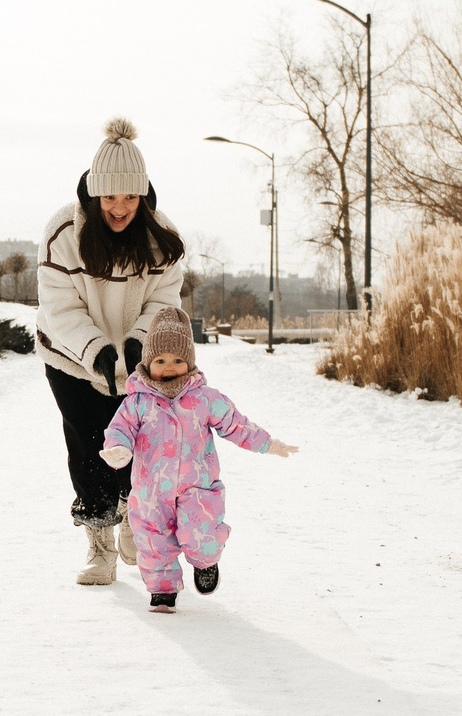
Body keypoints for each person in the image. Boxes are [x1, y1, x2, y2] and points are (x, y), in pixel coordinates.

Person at [36, 118, 187, 585]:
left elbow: (164, 301)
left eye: (129, 197)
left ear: (142, 196)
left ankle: (129, 513)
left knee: (139, 447)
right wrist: (97, 350)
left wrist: (140, 343)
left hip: (140, 363)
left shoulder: (160, 237)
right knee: (89, 444)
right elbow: (59, 307)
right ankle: (99, 542)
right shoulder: (64, 230)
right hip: (70, 358)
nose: (119, 207)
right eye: (109, 197)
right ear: (92, 195)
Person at [99, 306, 297, 611]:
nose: (169, 367)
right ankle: (162, 589)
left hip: (197, 489)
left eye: (178, 361)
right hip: (151, 491)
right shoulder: (136, 402)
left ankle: (205, 562)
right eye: (161, 360)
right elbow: (119, 429)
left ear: (189, 363)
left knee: (201, 531)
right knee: (153, 538)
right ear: (148, 362)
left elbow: (235, 424)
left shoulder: (205, 399)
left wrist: (267, 444)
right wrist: (117, 450)